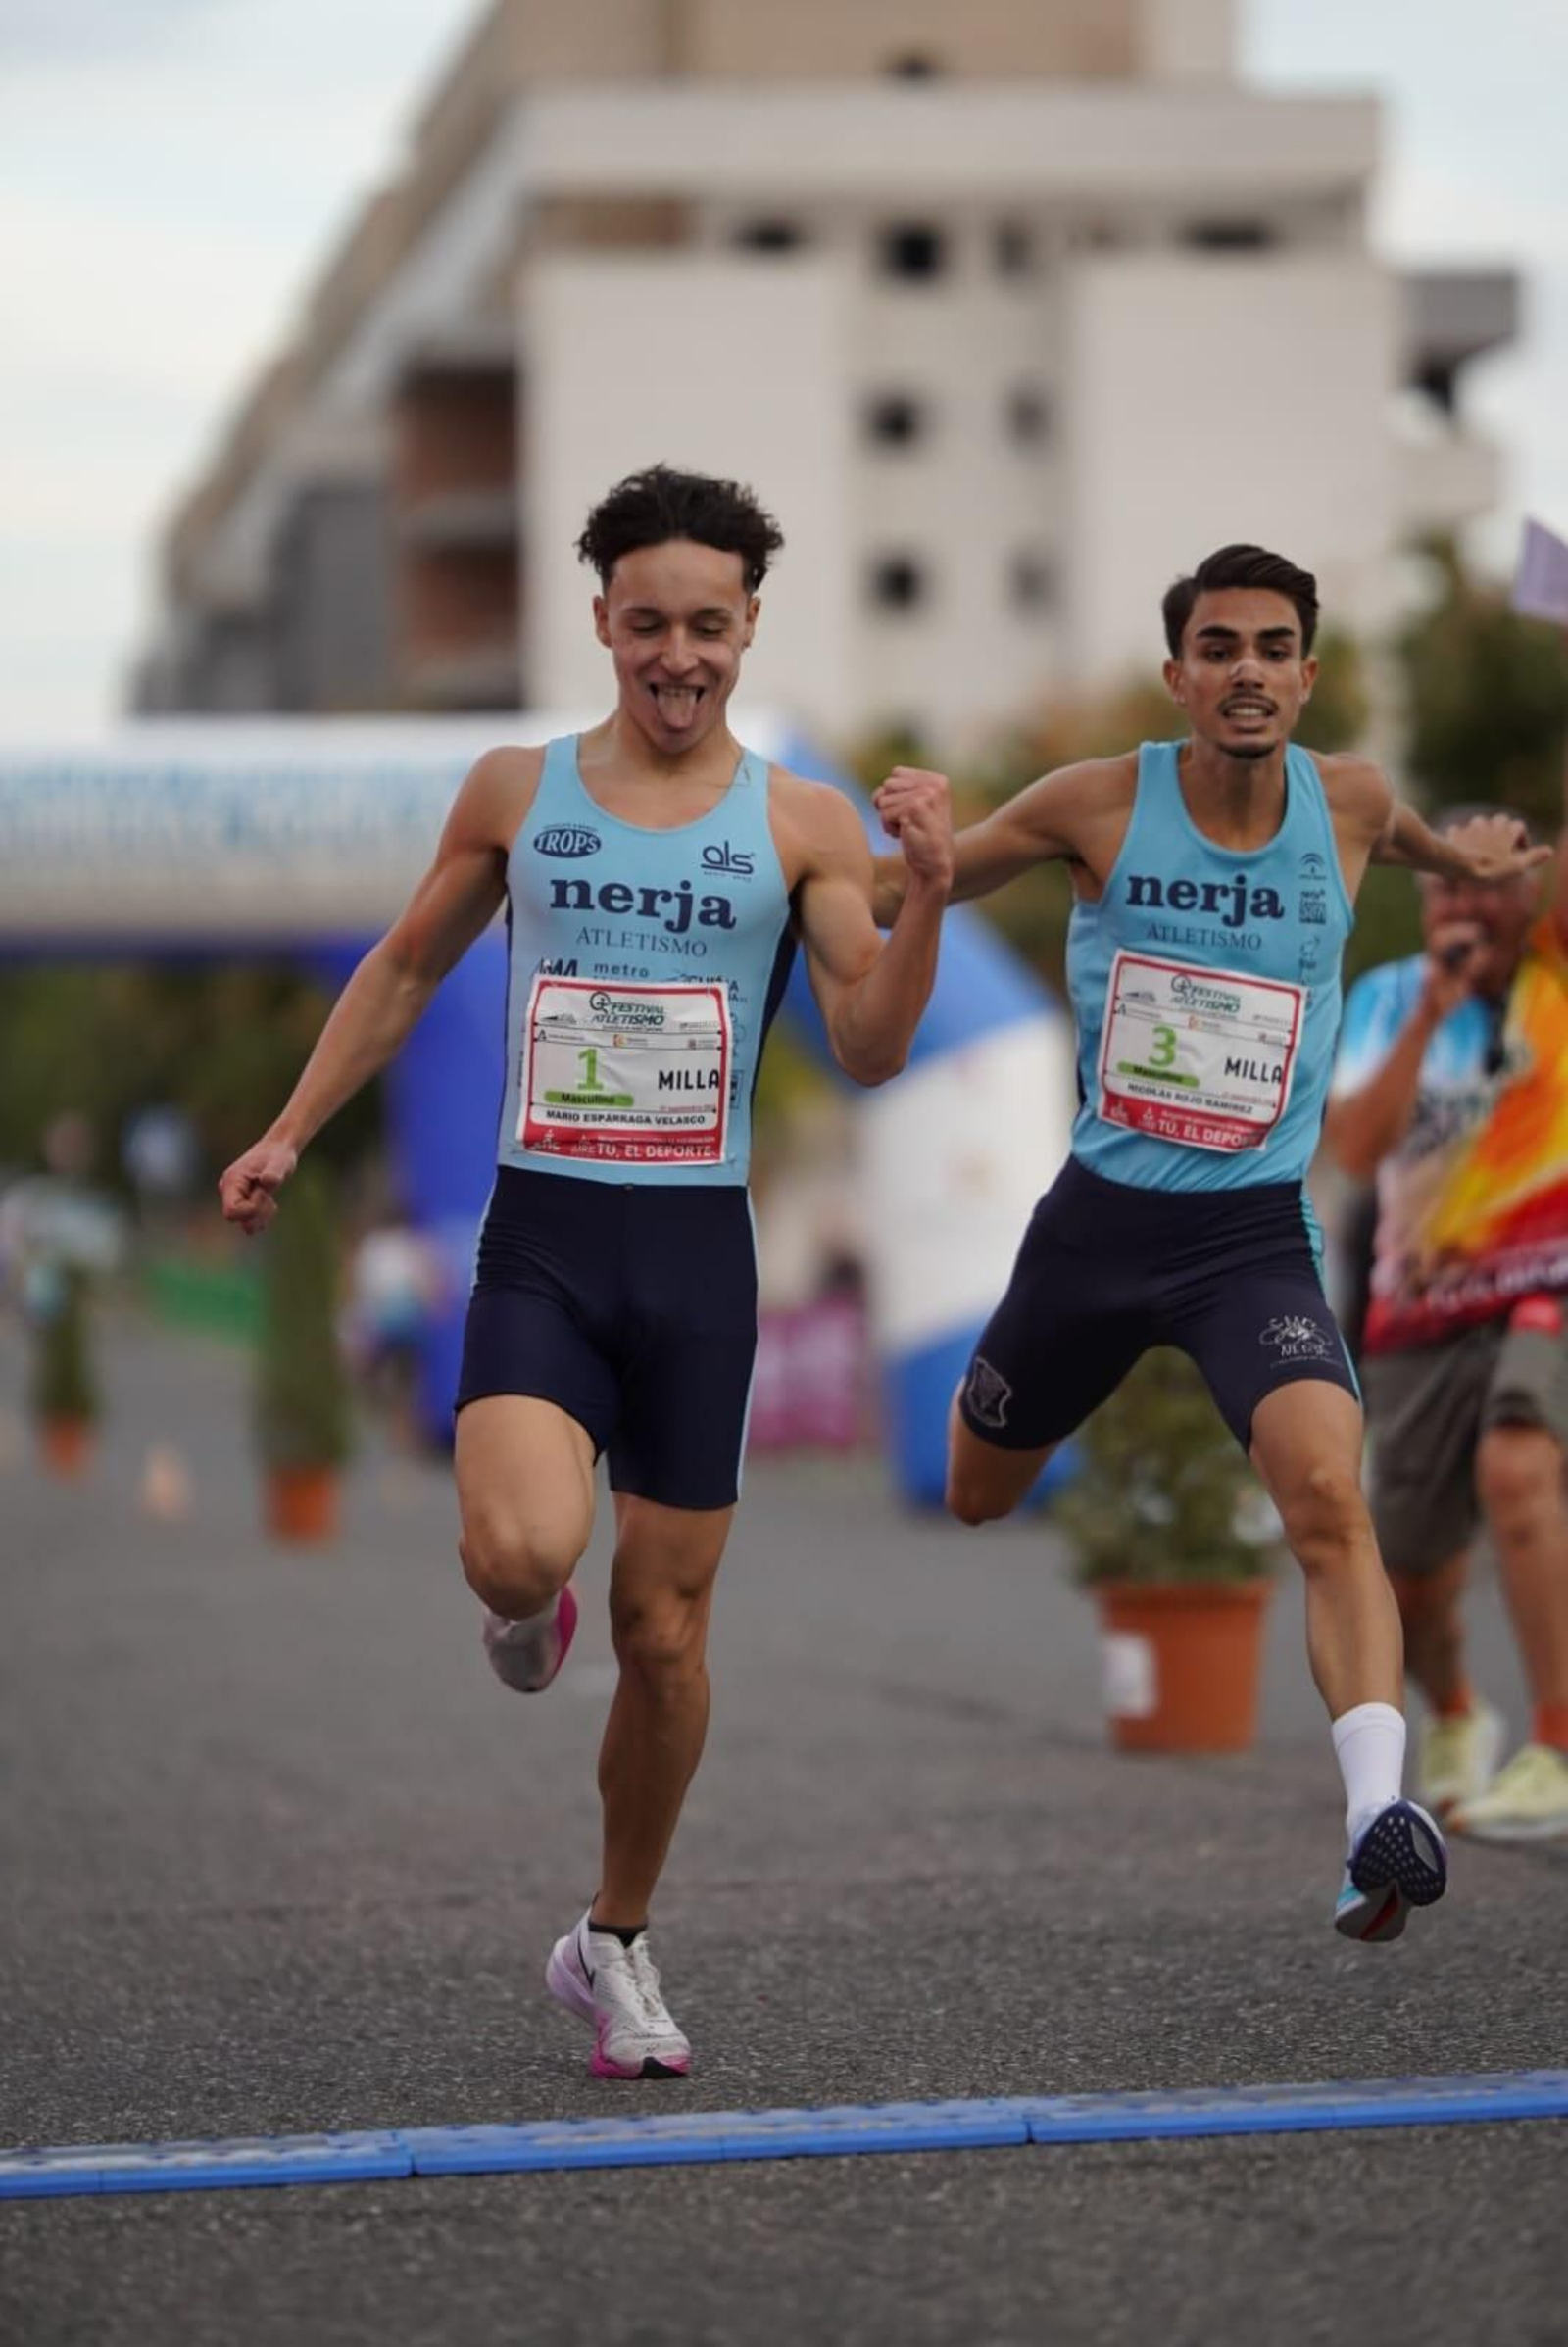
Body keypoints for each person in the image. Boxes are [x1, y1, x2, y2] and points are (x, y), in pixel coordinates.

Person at [220, 465, 954, 2076]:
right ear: (602, 621)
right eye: (646, 624)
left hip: (699, 1257)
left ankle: (611, 1939)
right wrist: (289, 1131)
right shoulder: (514, 792)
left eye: (708, 625)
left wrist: (936, 897)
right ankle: (516, 1605)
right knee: (514, 1553)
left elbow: (876, 1046)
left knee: (670, 1637)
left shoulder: (804, 825)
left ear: (748, 626)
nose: (676, 655)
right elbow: (405, 967)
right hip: (548, 1237)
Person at [873, 542, 1548, 1943]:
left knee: (1327, 1497)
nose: (1249, 669)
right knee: (976, 1488)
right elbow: (904, 892)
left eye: (1275, 646)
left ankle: (1378, 1811)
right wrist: (910, 859)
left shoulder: (1348, 800)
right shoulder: (1097, 801)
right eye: (1221, 647)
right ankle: (1005, 1408)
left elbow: (1431, 843)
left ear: (1306, 675)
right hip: (1100, 1230)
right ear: (1179, 673)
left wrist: (1477, 856)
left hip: (1252, 1235)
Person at [1324, 805, 1568, 1840]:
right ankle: (1458, 1712)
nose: (1467, 900)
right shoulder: (1386, 999)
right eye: (1448, 882)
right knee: (1413, 1574)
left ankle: (1555, 1746)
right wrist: (1430, 1008)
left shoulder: (1556, 980)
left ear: (1530, 890)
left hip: (1544, 1280)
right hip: (1419, 1308)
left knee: (1516, 1468)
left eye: (1490, 878)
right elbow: (1352, 1149)